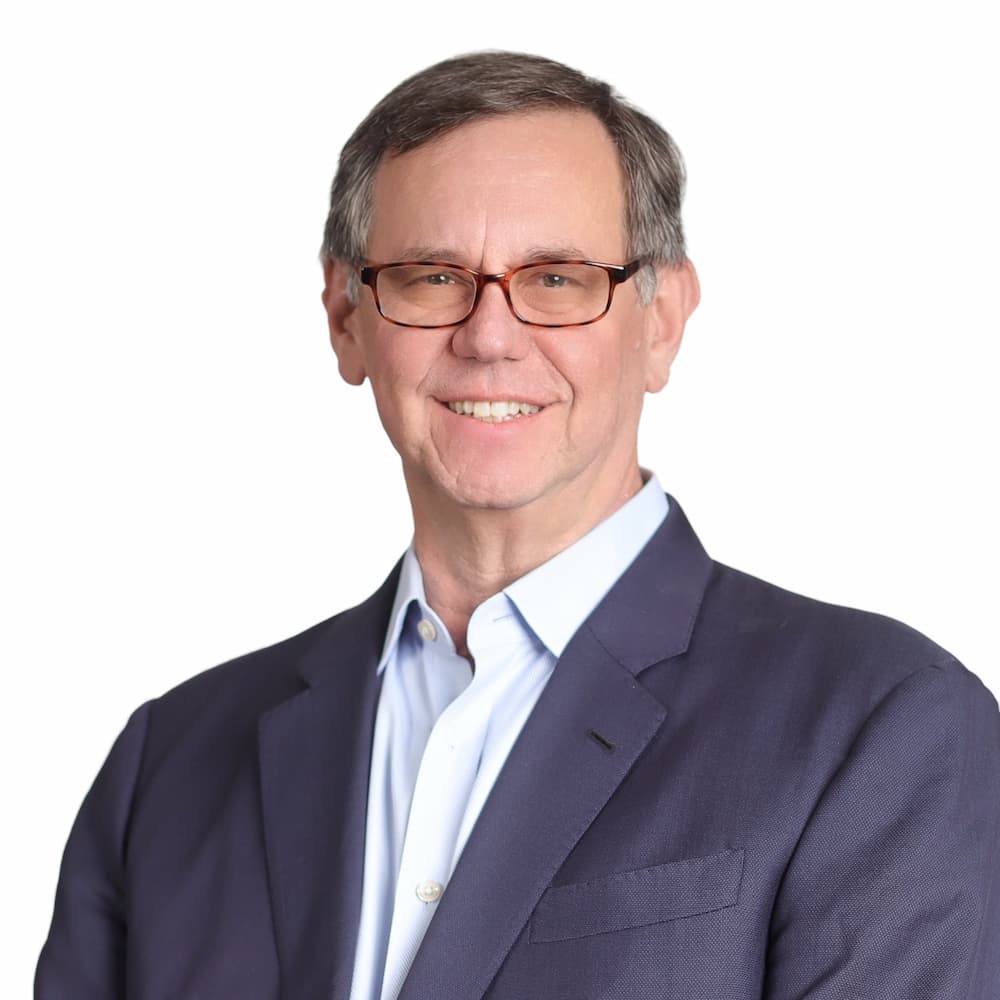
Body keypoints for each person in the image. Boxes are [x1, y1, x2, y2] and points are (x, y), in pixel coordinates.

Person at [36, 51, 1000, 1000]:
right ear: (345, 317)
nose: (490, 336)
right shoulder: (169, 766)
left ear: (662, 321)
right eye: (431, 277)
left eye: (557, 279)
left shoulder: (880, 727)